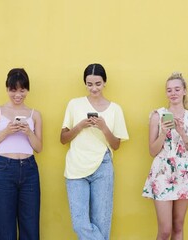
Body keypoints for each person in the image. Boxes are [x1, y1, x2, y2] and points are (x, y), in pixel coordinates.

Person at [60, 63, 129, 240]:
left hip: (103, 166)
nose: (94, 88)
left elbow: (116, 145)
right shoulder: (74, 104)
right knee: (79, 223)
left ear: (105, 82)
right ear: (85, 83)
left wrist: (104, 127)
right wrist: (81, 126)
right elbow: (63, 138)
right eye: (89, 84)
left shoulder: (115, 109)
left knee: (102, 223)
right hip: (76, 167)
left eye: (98, 83)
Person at [142, 72, 188, 240]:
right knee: (165, 230)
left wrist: (182, 133)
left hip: (184, 173)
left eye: (177, 89)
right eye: (169, 90)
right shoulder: (157, 115)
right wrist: (164, 132)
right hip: (162, 173)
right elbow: (152, 151)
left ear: (184, 91)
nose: (173, 93)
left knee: (178, 226)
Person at [0, 68, 43, 240]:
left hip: (30, 170)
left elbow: (39, 147)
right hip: (4, 169)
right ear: (7, 89)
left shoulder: (35, 115)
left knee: (30, 225)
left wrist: (28, 133)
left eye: (22, 90)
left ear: (27, 90)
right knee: (5, 226)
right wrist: (6, 132)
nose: (18, 94)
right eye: (13, 90)